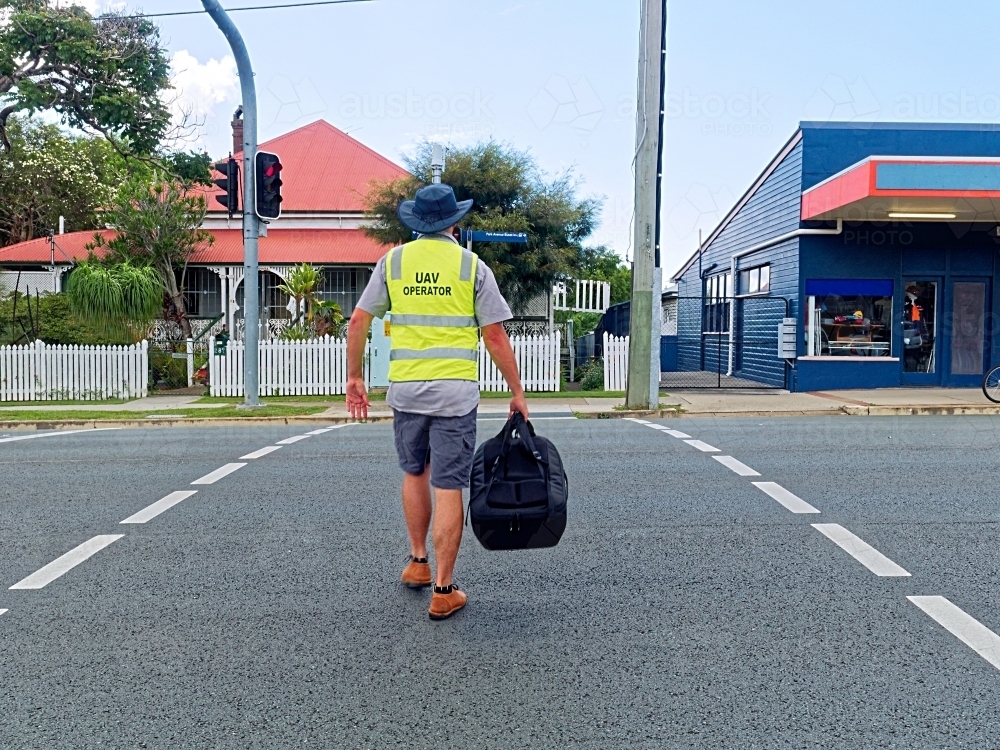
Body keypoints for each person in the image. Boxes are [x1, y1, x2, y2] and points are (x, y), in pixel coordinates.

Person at [345, 183, 529, 620]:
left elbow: (358, 320)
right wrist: (517, 391)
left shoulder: (393, 262)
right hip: (454, 393)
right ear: (454, 222)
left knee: (415, 472)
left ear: (415, 222)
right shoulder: (472, 266)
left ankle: (417, 563)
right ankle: (444, 591)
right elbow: (495, 335)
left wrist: (354, 376)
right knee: (449, 484)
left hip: (406, 388)